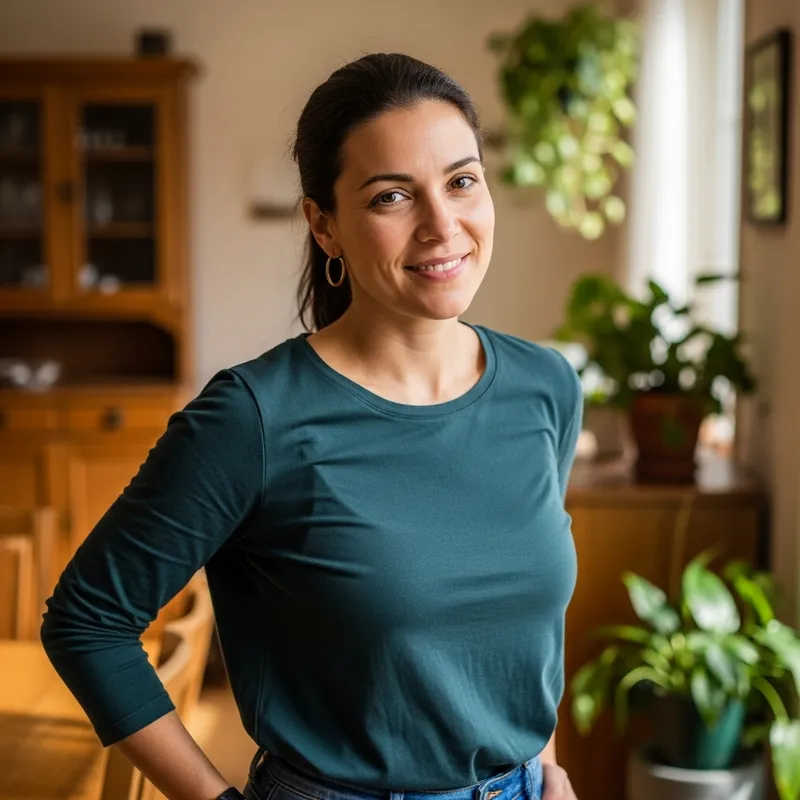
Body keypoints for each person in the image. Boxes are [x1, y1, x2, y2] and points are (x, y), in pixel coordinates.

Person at [40, 53, 582, 800]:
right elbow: (87, 621)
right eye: (392, 196)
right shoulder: (253, 418)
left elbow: (528, 621)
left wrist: (547, 766)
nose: (442, 225)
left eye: (462, 182)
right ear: (323, 226)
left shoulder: (546, 387)